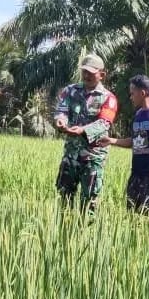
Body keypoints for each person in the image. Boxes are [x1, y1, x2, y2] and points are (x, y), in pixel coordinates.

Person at [99, 75, 149, 228]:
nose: (130, 96)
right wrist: (111, 140)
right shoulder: (138, 115)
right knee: (133, 210)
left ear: (143, 92)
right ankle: (137, 241)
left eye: (133, 92)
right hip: (137, 172)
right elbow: (134, 141)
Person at [53, 54, 119, 217]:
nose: (86, 75)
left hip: (93, 157)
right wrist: (60, 121)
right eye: (84, 72)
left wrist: (82, 130)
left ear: (102, 74)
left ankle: (84, 235)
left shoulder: (108, 98)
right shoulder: (70, 91)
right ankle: (63, 233)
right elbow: (61, 111)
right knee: (64, 196)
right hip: (71, 154)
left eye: (91, 72)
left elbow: (104, 122)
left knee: (89, 200)